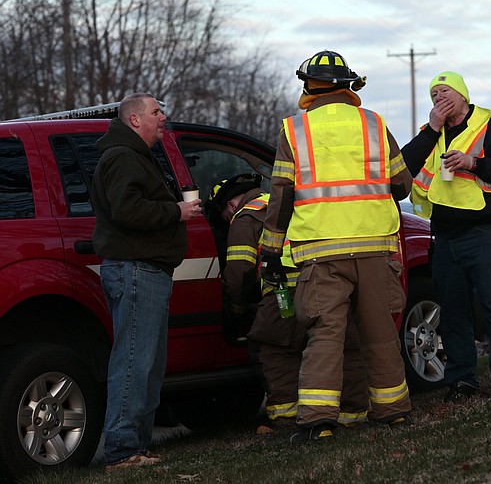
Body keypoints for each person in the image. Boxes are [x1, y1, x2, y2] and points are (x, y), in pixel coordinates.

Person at [261, 50, 413, 442]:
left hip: (320, 252)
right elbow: (402, 185)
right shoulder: (374, 124)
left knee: (326, 333)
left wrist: (271, 251)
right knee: (380, 332)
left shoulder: (293, 130)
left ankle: (318, 421)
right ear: (349, 85)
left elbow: (281, 198)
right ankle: (393, 412)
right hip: (375, 247)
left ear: (308, 86)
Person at [205, 173, 370, 430]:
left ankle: (288, 417)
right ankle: (353, 413)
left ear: (229, 206)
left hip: (285, 295)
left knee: (274, 351)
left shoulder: (245, 218)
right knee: (341, 345)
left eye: (226, 219)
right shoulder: (290, 202)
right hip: (328, 286)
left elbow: (239, 276)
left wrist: (239, 311)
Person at [91, 92, 203, 470]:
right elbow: (127, 210)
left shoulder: (134, 155)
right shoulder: (123, 156)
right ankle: (122, 450)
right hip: (136, 269)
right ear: (135, 119)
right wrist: (177, 210)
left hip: (146, 269)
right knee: (134, 361)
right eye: (156, 112)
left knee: (149, 364)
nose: (163, 117)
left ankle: (136, 446)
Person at [401, 71, 491, 401]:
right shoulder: (431, 133)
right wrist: (430, 128)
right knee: (453, 312)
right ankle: (461, 379)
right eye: (434, 95)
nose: (439, 98)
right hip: (444, 237)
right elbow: (403, 168)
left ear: (462, 96)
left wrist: (474, 163)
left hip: (484, 233)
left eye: (445, 92)